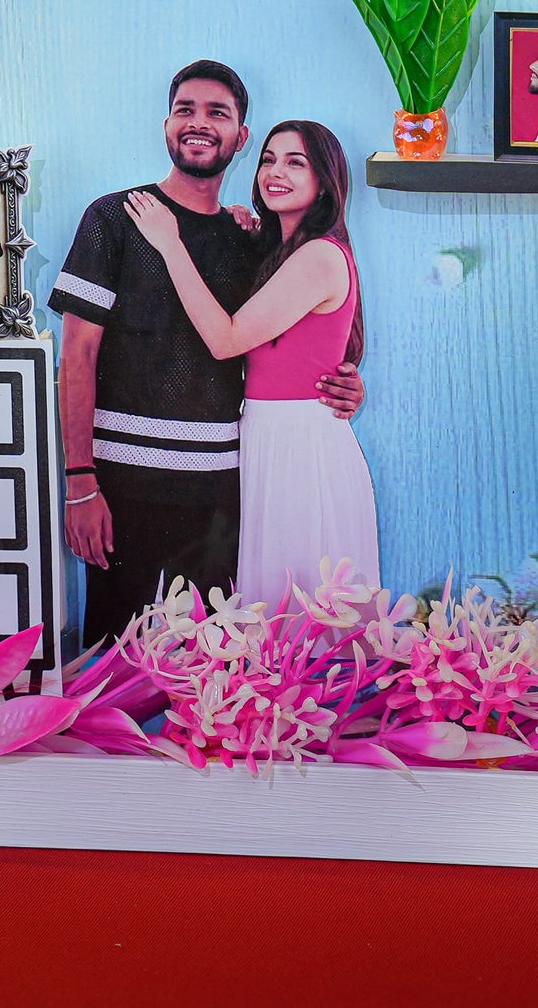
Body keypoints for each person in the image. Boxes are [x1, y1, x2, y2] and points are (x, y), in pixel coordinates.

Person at [49, 63, 364, 646]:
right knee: (113, 656)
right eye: (185, 110)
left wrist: (342, 381)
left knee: (214, 660)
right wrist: (80, 482)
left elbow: (289, 337)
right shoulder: (114, 218)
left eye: (217, 113)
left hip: (223, 486)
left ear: (240, 137)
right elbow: (76, 357)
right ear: (166, 125)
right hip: (122, 481)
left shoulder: (251, 239)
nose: (198, 123)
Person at [125, 119, 376, 613]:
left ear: (326, 181)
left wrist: (170, 243)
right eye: (268, 159)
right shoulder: (282, 251)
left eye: (295, 162)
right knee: (274, 602)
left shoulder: (319, 256)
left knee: (301, 603)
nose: (275, 172)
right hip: (268, 435)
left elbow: (226, 340)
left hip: (299, 446)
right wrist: (244, 227)